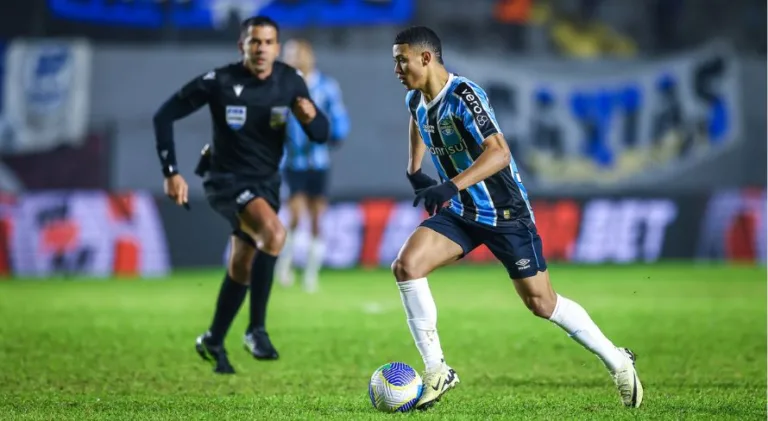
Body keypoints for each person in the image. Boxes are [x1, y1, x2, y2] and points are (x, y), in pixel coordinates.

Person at [390, 26, 643, 410]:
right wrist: (414, 170)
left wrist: (450, 185)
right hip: (462, 212)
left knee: (541, 303)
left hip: (505, 212)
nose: (396, 69)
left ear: (426, 58)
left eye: (401, 60)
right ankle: (437, 370)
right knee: (407, 266)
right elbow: (417, 118)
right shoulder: (415, 97)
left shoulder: (465, 96)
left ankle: (617, 361)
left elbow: (499, 153)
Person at [152, 16, 330, 374]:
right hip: (225, 179)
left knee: (242, 265)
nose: (261, 48)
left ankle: (213, 339)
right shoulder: (220, 81)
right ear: (242, 46)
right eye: (254, 42)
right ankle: (256, 330)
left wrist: (311, 118)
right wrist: (171, 172)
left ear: (277, 48)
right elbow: (164, 115)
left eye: (268, 42)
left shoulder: (290, 81)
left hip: (267, 183)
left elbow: (321, 134)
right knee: (275, 233)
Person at [275, 39, 350, 293]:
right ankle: (285, 265)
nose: (293, 59)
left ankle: (310, 274)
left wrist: (337, 133)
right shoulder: (282, 88)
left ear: (309, 56)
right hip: (292, 162)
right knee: (295, 215)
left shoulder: (326, 87)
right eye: (289, 55)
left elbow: (338, 118)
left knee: (318, 218)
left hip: (319, 163)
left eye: (297, 54)